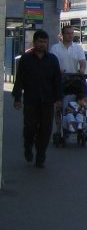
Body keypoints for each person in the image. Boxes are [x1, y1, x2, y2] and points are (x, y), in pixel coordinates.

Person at [12, 30, 63, 167]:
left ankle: (41, 155)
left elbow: (57, 81)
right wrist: (17, 98)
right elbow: (20, 80)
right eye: (40, 41)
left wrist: (59, 99)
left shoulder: (52, 60)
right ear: (34, 42)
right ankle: (28, 147)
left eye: (45, 42)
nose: (42, 44)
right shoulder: (26, 59)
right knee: (30, 128)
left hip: (47, 100)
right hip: (31, 100)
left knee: (46, 129)